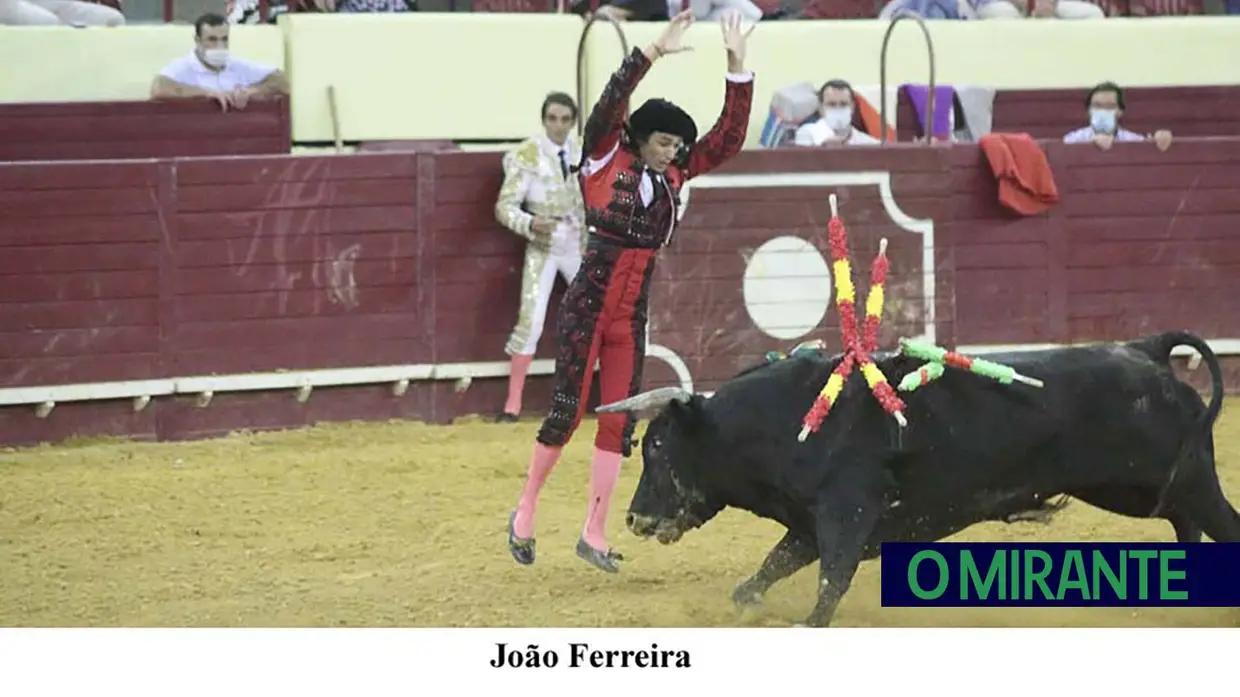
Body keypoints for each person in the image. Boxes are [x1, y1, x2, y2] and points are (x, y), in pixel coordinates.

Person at [506, 9, 755, 574]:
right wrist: (652, 51)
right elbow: (610, 101)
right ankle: (525, 510)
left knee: (619, 423)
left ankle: (594, 532)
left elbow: (727, 140)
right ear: (641, 139)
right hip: (587, 307)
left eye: (677, 145)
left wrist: (737, 68)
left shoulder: (673, 175)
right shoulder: (602, 154)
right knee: (567, 414)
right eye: (664, 142)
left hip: (629, 316)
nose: (673, 152)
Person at [494, 92, 587, 423]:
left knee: (598, 316)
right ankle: (512, 405)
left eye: (565, 120)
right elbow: (504, 207)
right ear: (544, 119)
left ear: (573, 121)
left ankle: (591, 396)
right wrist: (532, 222)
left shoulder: (583, 151)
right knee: (530, 321)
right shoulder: (527, 154)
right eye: (552, 119)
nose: (558, 126)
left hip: (579, 242)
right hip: (544, 245)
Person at [151, 13, 289, 112]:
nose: (219, 45)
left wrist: (251, 91)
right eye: (212, 39)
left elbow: (281, 81)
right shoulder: (183, 67)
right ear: (197, 40)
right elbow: (158, 88)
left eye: (224, 39)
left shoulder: (237, 66)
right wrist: (206, 93)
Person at [1063, 81, 1172, 152]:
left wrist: (1160, 139)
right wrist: (1091, 146)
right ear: (1089, 110)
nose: (1103, 111)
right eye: (1097, 106)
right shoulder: (1072, 140)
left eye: (1110, 106)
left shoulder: (1134, 140)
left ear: (1120, 111)